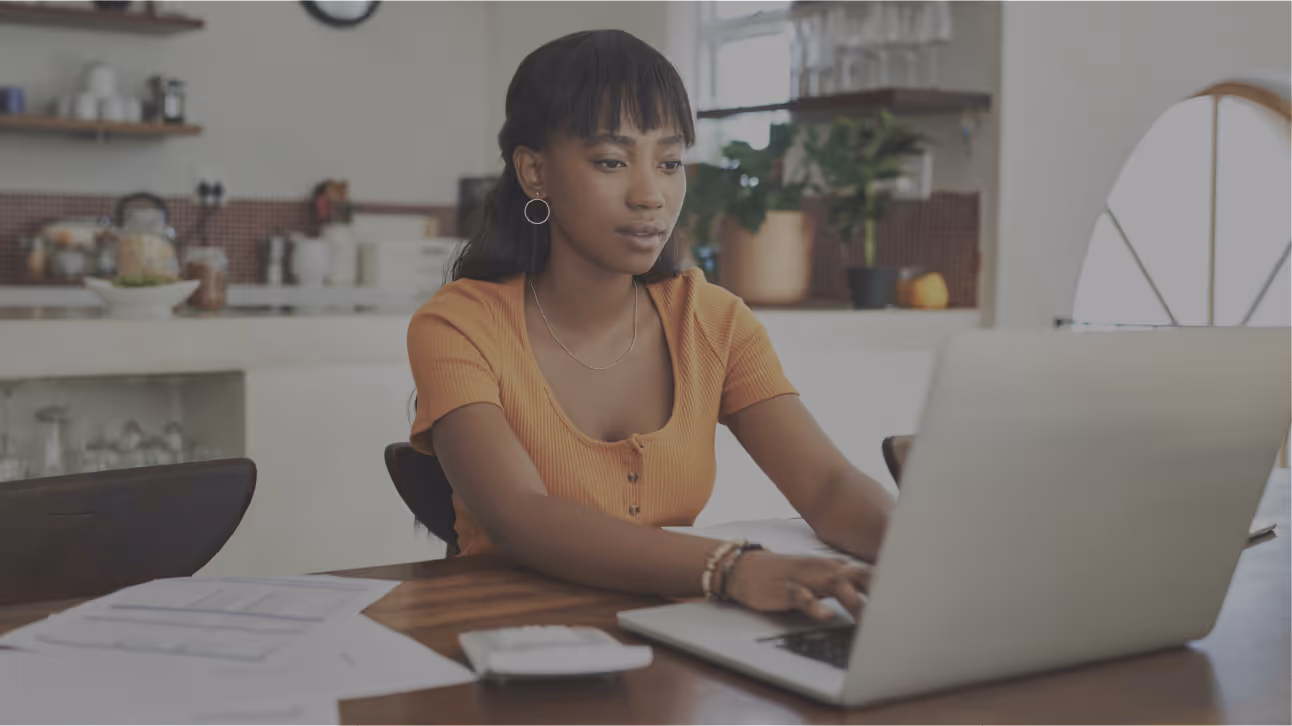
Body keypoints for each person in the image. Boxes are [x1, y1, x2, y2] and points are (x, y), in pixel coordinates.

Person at [407, 30, 894, 622]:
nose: (650, 195)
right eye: (611, 162)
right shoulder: (460, 324)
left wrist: (926, 554)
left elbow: (827, 487)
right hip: (506, 648)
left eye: (669, 162)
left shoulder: (712, 321)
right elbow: (520, 515)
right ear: (535, 172)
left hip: (675, 641)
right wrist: (730, 568)